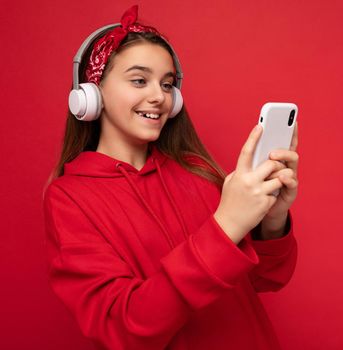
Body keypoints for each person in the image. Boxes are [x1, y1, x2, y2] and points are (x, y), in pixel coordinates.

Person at [43, 5, 300, 350]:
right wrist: (226, 225)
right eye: (139, 80)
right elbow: (126, 326)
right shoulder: (69, 198)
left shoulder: (199, 171)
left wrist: (272, 220)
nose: (159, 97)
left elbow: (267, 278)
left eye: (167, 84)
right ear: (90, 94)